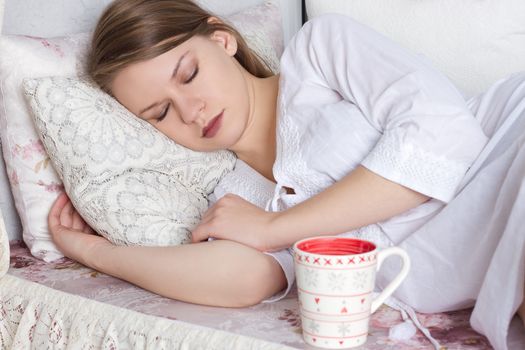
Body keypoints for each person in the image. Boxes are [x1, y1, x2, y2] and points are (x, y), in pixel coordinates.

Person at [48, 0, 525, 348]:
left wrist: (275, 228)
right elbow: (243, 279)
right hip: (476, 259)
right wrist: (96, 252)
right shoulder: (236, 194)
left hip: (507, 149)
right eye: (160, 112)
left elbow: (445, 135)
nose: (191, 112)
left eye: (189, 74)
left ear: (222, 39)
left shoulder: (320, 51)